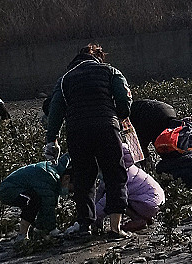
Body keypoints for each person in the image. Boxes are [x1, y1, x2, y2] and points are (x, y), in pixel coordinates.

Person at [43, 44, 134, 238]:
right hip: (106, 127)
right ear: (99, 58)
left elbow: (55, 110)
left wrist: (52, 139)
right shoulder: (110, 71)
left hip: (77, 131)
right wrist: (119, 114)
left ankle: (85, 225)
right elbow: (124, 99)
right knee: (114, 174)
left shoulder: (65, 79)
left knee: (84, 177)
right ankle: (115, 227)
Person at [93, 139, 167, 233]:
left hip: (150, 203)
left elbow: (108, 199)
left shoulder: (124, 176)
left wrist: (93, 217)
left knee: (119, 197)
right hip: (152, 200)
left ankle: (139, 220)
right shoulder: (126, 170)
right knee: (121, 198)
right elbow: (100, 192)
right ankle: (142, 218)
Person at [0, 154, 71, 241]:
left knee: (36, 200)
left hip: (20, 188)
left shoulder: (55, 172)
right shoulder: (50, 176)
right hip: (9, 189)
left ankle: (34, 232)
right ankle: (22, 235)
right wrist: (52, 229)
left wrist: (40, 228)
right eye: (71, 188)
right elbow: (48, 206)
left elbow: (46, 205)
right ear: (67, 178)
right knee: (32, 201)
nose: (69, 192)